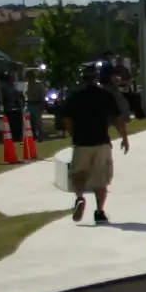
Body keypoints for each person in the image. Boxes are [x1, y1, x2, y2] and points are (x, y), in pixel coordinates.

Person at [60, 64, 131, 224]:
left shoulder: (75, 96)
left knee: (78, 175)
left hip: (82, 143)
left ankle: (79, 197)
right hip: (102, 143)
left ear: (83, 78)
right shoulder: (105, 95)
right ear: (96, 77)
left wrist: (73, 134)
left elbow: (67, 120)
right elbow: (118, 119)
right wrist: (124, 138)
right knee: (101, 180)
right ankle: (99, 211)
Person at [0, 69, 26, 145]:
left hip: (11, 108)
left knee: (13, 124)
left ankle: (15, 137)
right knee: (15, 124)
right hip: (12, 107)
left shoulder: (5, 87)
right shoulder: (8, 87)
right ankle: (16, 137)